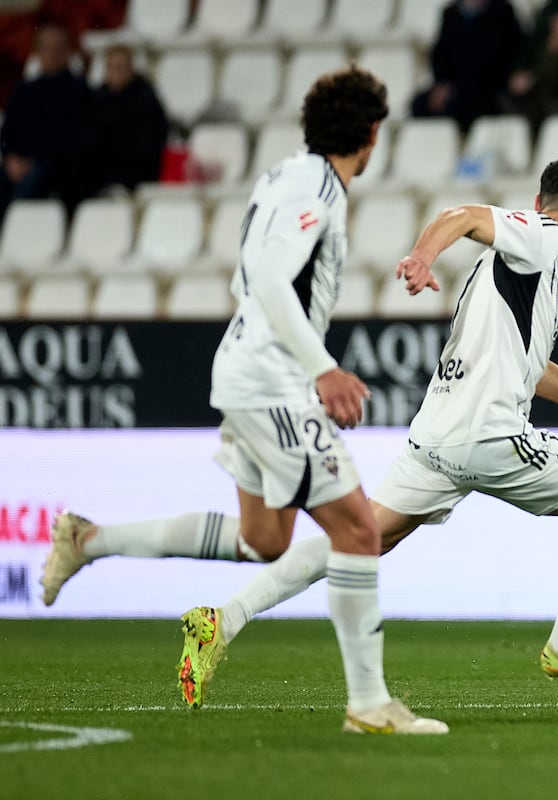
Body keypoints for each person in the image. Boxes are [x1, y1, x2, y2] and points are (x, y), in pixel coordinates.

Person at [39, 66, 449, 736]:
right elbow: (269, 276)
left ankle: (88, 540)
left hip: (246, 368)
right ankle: (369, 704)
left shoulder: (282, 176)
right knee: (358, 530)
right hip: (271, 380)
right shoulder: (317, 187)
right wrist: (321, 368)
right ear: (373, 134)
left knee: (264, 539)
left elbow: (248, 275)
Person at [0, 22, 94, 219]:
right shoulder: (23, 90)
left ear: (68, 52)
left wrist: (32, 161)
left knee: (35, 181)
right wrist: (11, 158)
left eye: (58, 48)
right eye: (46, 48)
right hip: (19, 165)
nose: (52, 54)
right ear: (37, 52)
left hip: (56, 167)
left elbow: (74, 137)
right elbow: (8, 132)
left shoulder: (80, 91)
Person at [410, 0, 526, 133]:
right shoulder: (451, 13)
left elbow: (513, 52)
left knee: (460, 104)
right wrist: (442, 84)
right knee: (420, 104)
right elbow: (440, 55)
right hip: (454, 86)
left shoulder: (503, 11)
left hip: (490, 86)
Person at [92, 44, 169, 191]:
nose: (117, 72)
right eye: (112, 67)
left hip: (137, 172)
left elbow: (152, 140)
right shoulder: (97, 99)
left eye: (121, 67)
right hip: (103, 171)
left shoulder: (146, 99)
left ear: (131, 69)